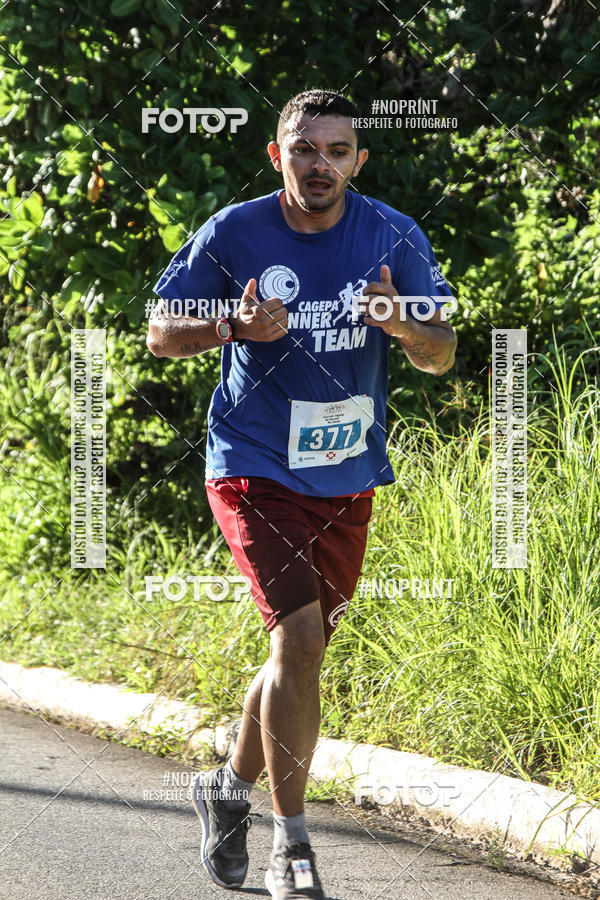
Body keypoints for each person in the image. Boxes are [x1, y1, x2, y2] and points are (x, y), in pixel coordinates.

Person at [148, 88, 456, 900]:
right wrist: (230, 328)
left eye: (338, 151)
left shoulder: (391, 234)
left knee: (298, 653)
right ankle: (294, 849)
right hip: (253, 466)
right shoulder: (235, 231)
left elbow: (442, 354)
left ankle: (225, 788)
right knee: (302, 637)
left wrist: (405, 326)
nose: (321, 165)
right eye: (305, 149)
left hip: (347, 471)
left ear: (359, 159)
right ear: (277, 155)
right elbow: (160, 333)